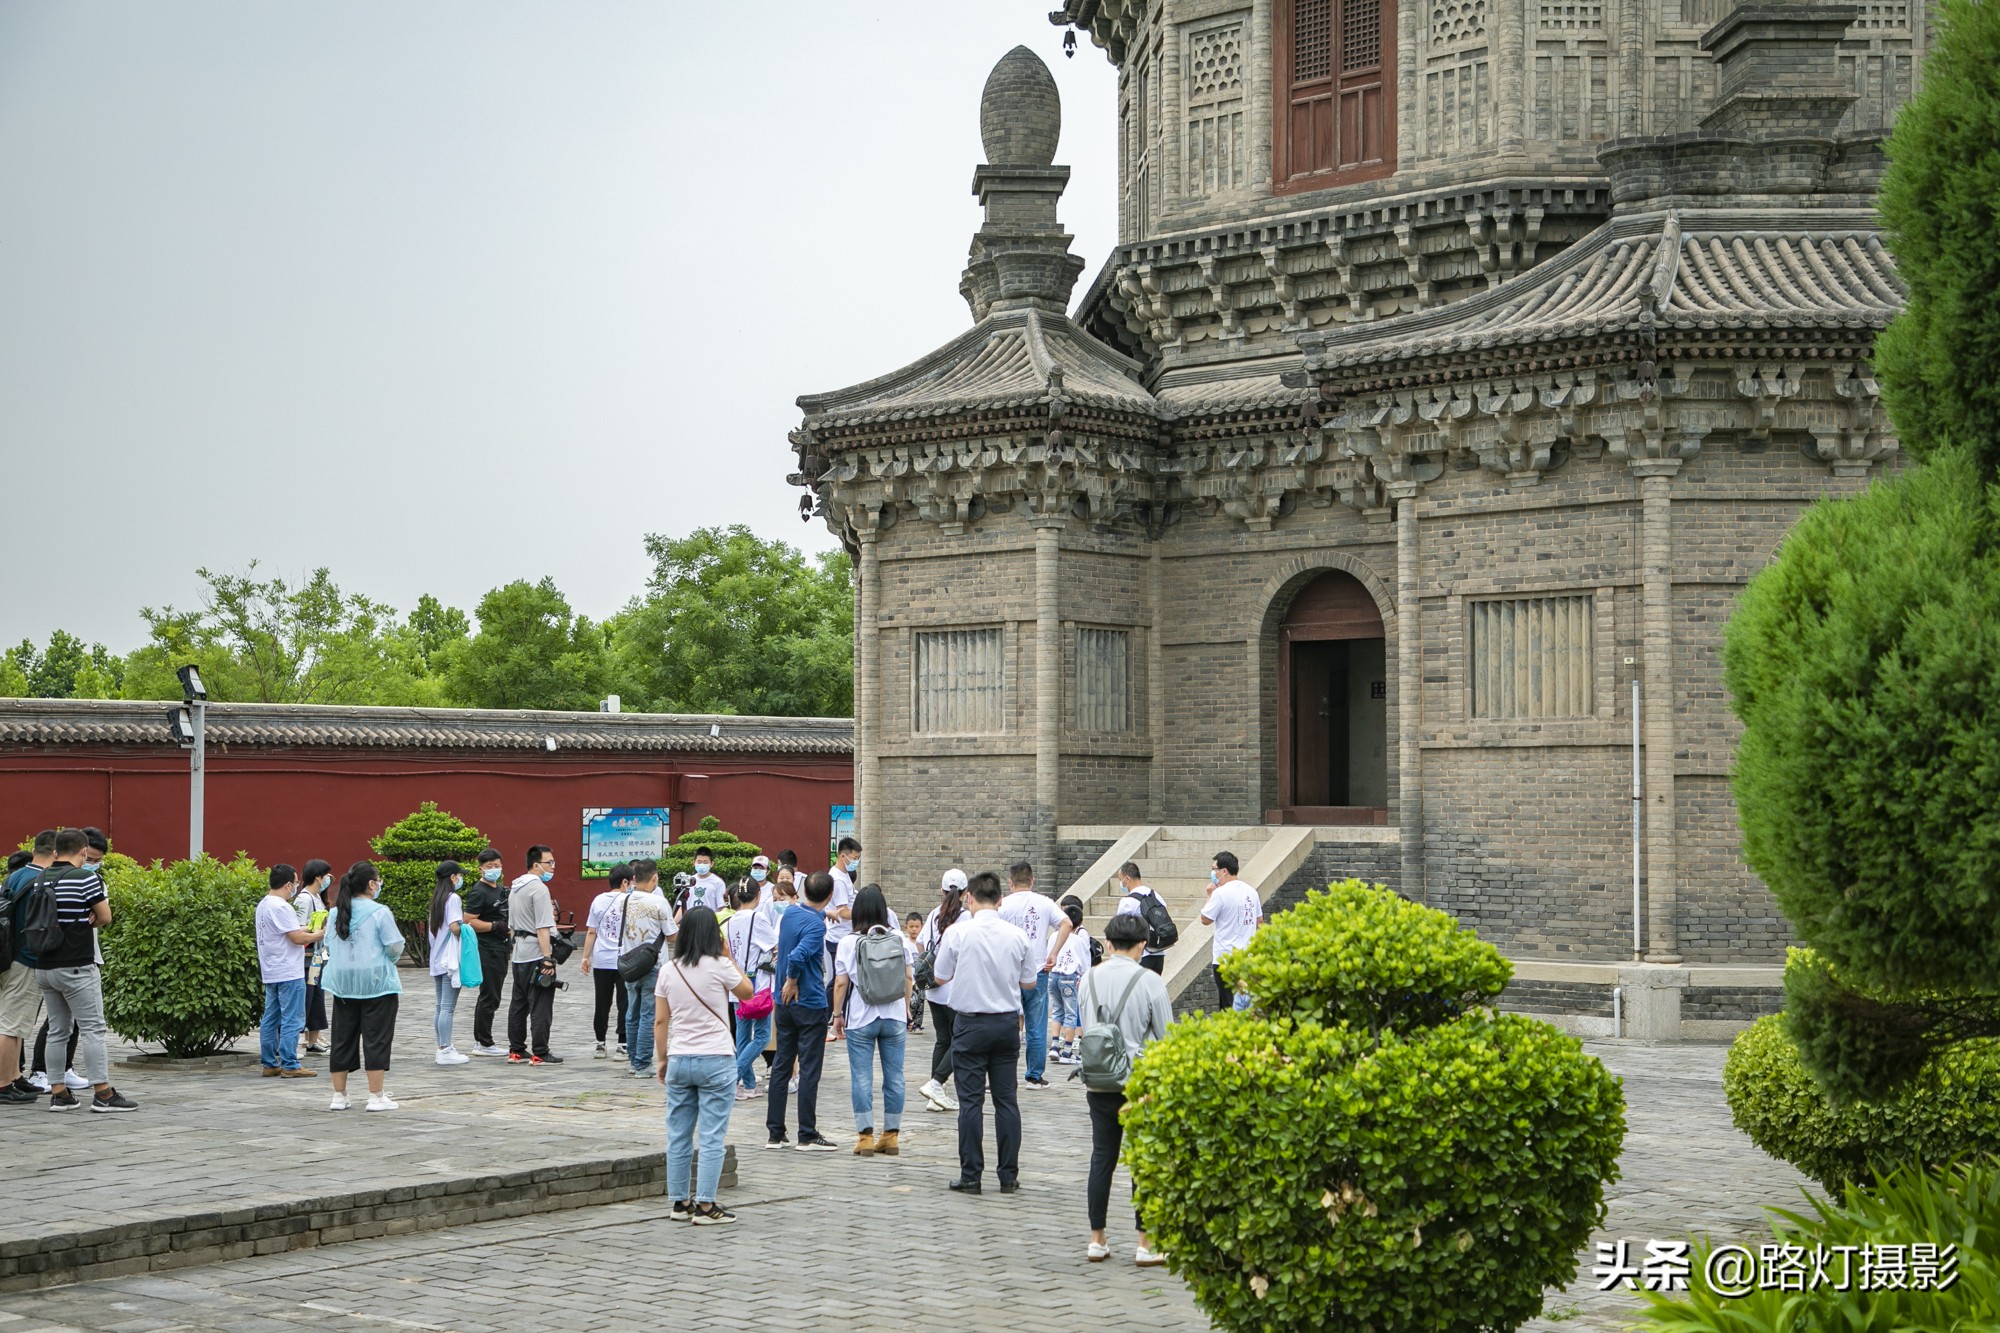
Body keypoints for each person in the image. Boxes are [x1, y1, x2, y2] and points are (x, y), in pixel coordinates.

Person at [1078, 910, 1175, 1267]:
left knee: (1102, 1157)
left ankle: (1097, 1239)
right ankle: (1145, 1244)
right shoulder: (1149, 981)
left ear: (1107, 943)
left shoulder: (1087, 978)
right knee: (1142, 1161)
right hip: (1139, 1084)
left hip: (1098, 1081)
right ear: (1143, 945)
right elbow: (1167, 1037)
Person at [931, 870, 1037, 1194]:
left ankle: (971, 1176)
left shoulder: (958, 933)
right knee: (1007, 1101)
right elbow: (1029, 982)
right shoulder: (1018, 936)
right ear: (1000, 900)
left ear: (970, 899)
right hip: (1006, 1024)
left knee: (971, 1103)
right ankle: (1008, 1176)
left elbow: (940, 976)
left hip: (970, 1024)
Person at [656, 904, 754, 1225]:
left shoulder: (668, 970)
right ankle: (707, 1206)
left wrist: (662, 1058)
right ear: (714, 934)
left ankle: (680, 1201)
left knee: (678, 1134)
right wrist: (729, 957)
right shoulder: (720, 965)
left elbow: (660, 1021)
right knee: (712, 1135)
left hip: (680, 1058)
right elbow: (748, 992)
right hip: (716, 1058)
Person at [32, 828, 133, 1113]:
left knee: (57, 1030)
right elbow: (105, 916)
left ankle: (59, 1093)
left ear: (56, 851)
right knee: (93, 1029)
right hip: (76, 964)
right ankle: (103, 1094)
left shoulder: (42, 877)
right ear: (83, 851)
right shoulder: (85, 878)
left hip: (45, 966)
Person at [833, 884, 915, 1157]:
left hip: (861, 1016)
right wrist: (906, 1007)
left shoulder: (848, 942)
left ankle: (865, 1137)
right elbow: (908, 977)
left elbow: (841, 983)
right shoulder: (899, 938)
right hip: (894, 1015)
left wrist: (837, 1015)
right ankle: (891, 1136)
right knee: (895, 1076)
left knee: (861, 1077)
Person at [322, 861, 403, 1112]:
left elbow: (327, 944)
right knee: (376, 1038)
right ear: (371, 884)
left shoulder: (335, 912)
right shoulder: (380, 912)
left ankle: (339, 1095)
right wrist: (387, 961)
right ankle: (376, 1096)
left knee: (342, 1038)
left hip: (343, 983)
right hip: (377, 982)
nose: (379, 885)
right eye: (378, 881)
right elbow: (394, 946)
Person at [765, 870, 836, 1152]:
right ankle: (806, 1133)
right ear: (830, 895)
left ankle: (775, 1133)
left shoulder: (791, 914)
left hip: (784, 1005)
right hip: (809, 1002)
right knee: (809, 1070)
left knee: (782, 1065)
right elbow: (797, 956)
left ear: (803, 892)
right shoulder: (816, 927)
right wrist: (792, 980)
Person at [998, 862, 1069, 1091]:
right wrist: (1053, 953)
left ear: (1010, 882)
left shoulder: (1003, 905)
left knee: (1005, 1025)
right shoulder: (1044, 902)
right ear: (1032, 880)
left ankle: (1002, 1075)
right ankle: (1034, 1076)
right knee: (1036, 1027)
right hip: (1038, 971)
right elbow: (1066, 924)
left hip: (1009, 973)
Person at [0, 831, 55, 1104]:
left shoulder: (15, 875)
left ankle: (14, 1076)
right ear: (56, 853)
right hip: (25, 958)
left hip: (6, 955)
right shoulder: (44, 880)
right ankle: (2, 1084)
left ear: (35, 851)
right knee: (11, 1024)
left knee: (16, 1021)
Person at [256, 863, 323, 1078]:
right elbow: (296, 938)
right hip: (288, 971)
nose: (296, 887)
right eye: (295, 883)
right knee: (292, 1019)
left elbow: (287, 931)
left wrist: (307, 929)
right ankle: (290, 1064)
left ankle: (269, 1063)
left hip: (271, 970)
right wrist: (317, 935)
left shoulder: (264, 904)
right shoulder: (282, 907)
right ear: (287, 885)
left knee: (271, 1017)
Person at [916, 869, 967, 1113]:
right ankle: (936, 1084)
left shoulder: (934, 914)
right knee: (961, 1040)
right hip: (955, 989)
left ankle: (934, 1095)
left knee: (942, 1040)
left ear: (942, 891)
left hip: (934, 988)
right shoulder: (966, 918)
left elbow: (920, 943)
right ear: (965, 893)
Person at [619, 858, 676, 1080]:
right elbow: (671, 935)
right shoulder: (659, 902)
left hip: (629, 964)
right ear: (654, 877)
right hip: (654, 965)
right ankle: (643, 1063)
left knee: (631, 1013)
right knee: (648, 1015)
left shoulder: (624, 900)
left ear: (634, 878)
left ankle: (634, 1060)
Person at [507, 846, 562, 1065]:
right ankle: (540, 1050)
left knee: (519, 1003)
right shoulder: (539, 889)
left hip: (519, 953)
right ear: (536, 864)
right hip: (535, 953)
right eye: (550, 862)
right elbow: (543, 927)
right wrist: (547, 958)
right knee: (541, 1004)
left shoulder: (515, 887)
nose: (553, 867)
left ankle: (516, 1049)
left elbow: (512, 925)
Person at [723, 880, 775, 1099]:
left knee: (742, 1036)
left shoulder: (729, 920)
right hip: (757, 986)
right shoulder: (758, 918)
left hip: (736, 983)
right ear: (758, 895)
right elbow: (775, 946)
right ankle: (732, 1078)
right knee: (763, 1036)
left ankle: (750, 1085)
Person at [1200, 850, 1265, 1012]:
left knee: (1228, 1005)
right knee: (1245, 1002)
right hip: (1247, 958)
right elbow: (1260, 922)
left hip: (1225, 959)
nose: (1212, 873)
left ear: (1224, 871)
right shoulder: (1251, 891)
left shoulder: (1220, 893)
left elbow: (1205, 919)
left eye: (1214, 869)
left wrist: (1209, 895)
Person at [580, 863, 633, 1060]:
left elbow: (591, 931)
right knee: (624, 1002)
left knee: (602, 1002)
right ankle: (622, 1044)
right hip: (624, 959)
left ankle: (600, 1043)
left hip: (602, 958)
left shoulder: (598, 900)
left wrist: (585, 957)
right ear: (625, 882)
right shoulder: (631, 901)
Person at [460, 848, 510, 1056]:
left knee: (494, 995)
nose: (494, 869)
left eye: (497, 866)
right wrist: (494, 926)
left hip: (501, 947)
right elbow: (468, 921)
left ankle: (484, 1040)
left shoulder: (499, 889)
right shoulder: (479, 891)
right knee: (489, 995)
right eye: (490, 866)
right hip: (487, 948)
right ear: (480, 868)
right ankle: (483, 1042)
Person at [427, 861, 471, 1065]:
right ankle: (445, 1049)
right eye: (459, 875)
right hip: (450, 960)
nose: (460, 879)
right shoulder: (453, 898)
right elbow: (454, 927)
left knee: (440, 1007)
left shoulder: (437, 899)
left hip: (438, 959)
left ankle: (441, 1047)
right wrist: (467, 930)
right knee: (447, 1007)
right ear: (452, 877)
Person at [293, 860, 335, 1054]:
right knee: (306, 997)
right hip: (307, 956)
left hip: (318, 955)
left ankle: (313, 1039)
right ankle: (296, 1040)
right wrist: (316, 930)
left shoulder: (317, 897)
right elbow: (297, 928)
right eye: (325, 875)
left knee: (316, 996)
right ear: (318, 877)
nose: (327, 879)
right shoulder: (304, 899)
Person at [1110, 862, 1172, 975]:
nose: (1121, 884)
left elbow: (1120, 932)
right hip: (1158, 956)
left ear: (1127, 879)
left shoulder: (1128, 902)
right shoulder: (1156, 895)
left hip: (1140, 957)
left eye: (1120, 879)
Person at [1050, 897, 1091, 1065]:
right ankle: (1067, 1050)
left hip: (1053, 976)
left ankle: (1054, 1046)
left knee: (1057, 1011)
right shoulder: (1079, 940)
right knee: (1071, 1013)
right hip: (1069, 978)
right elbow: (1084, 963)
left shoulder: (1054, 936)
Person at [823, 837, 860, 1014]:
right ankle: (829, 1014)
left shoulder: (844, 875)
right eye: (854, 858)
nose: (856, 861)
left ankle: (838, 1013)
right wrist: (864, 913)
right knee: (839, 979)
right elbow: (843, 912)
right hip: (839, 937)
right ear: (843, 856)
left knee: (843, 978)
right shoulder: (837, 879)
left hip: (845, 935)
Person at [903, 912, 927, 1032]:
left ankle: (917, 1024)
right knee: (912, 1001)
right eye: (911, 926)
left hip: (920, 978)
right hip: (909, 978)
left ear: (922, 927)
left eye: (917, 927)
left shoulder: (922, 943)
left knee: (921, 1001)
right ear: (906, 927)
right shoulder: (905, 943)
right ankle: (909, 1021)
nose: (914, 929)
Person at [686, 849, 727, 914]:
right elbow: (683, 907)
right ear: (694, 863)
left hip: (709, 919)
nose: (702, 865)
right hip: (690, 919)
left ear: (711, 864)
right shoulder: (688, 881)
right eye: (699, 862)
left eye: (705, 862)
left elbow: (721, 907)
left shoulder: (718, 883)